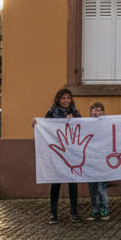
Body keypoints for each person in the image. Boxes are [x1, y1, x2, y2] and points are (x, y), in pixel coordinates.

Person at [45, 89, 82, 223]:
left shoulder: (75, 113)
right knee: (56, 183)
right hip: (57, 152)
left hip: (71, 152)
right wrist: (35, 123)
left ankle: (74, 212)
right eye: (63, 98)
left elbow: (82, 127)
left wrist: (74, 120)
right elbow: (44, 127)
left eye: (68, 98)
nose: (66, 100)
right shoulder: (51, 113)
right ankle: (53, 213)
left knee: (72, 183)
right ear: (58, 99)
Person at [87, 102, 110, 220]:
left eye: (98, 110)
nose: (96, 112)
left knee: (101, 187)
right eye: (94, 110)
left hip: (101, 160)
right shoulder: (86, 124)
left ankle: (105, 209)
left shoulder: (107, 124)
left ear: (103, 112)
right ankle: (95, 208)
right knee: (92, 187)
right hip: (90, 160)